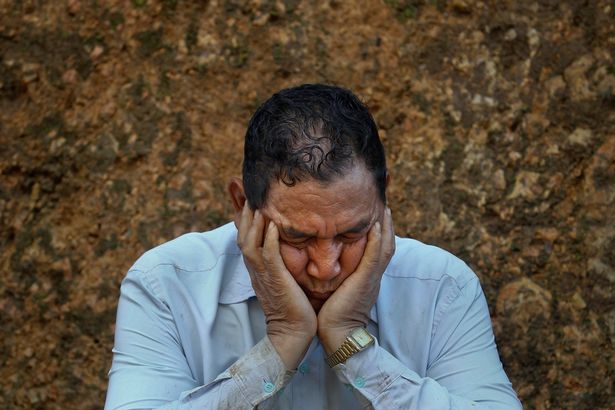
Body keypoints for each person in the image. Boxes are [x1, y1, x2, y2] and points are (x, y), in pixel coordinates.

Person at [104, 84, 522, 409]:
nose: (326, 268)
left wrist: (349, 344)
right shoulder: (165, 284)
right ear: (241, 205)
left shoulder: (441, 287)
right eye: (297, 237)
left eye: (352, 234)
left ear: (383, 198)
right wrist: (282, 344)